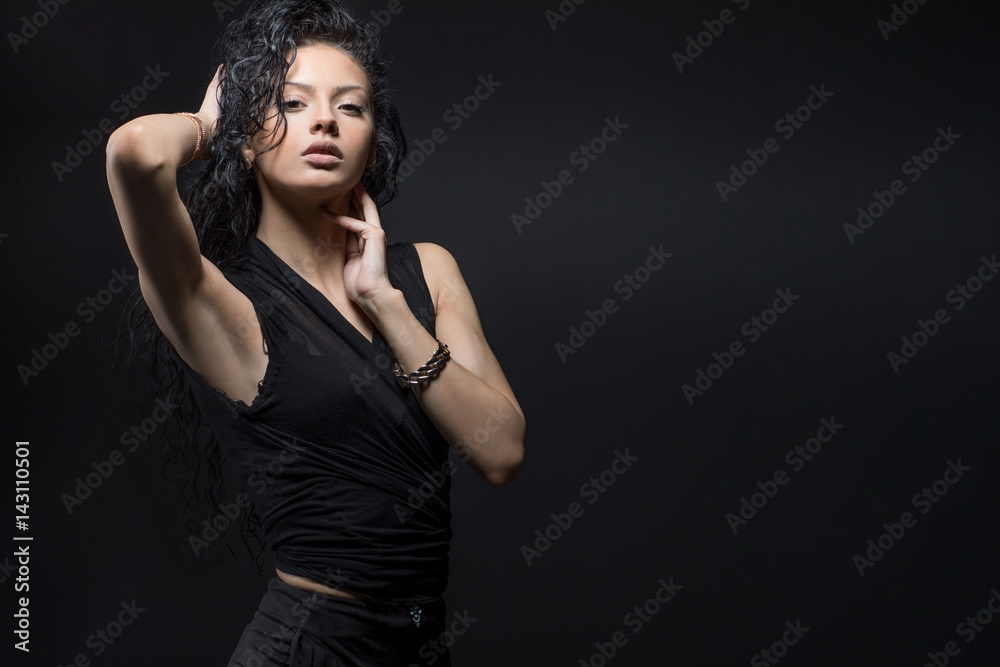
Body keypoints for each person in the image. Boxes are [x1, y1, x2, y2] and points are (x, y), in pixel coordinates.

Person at [104, 0, 527, 664]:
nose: (326, 118)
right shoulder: (225, 305)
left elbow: (501, 451)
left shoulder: (427, 271)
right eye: (292, 104)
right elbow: (133, 153)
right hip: (311, 647)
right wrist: (211, 122)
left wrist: (386, 305)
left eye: (350, 107)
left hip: (419, 629)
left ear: (371, 140)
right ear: (248, 137)